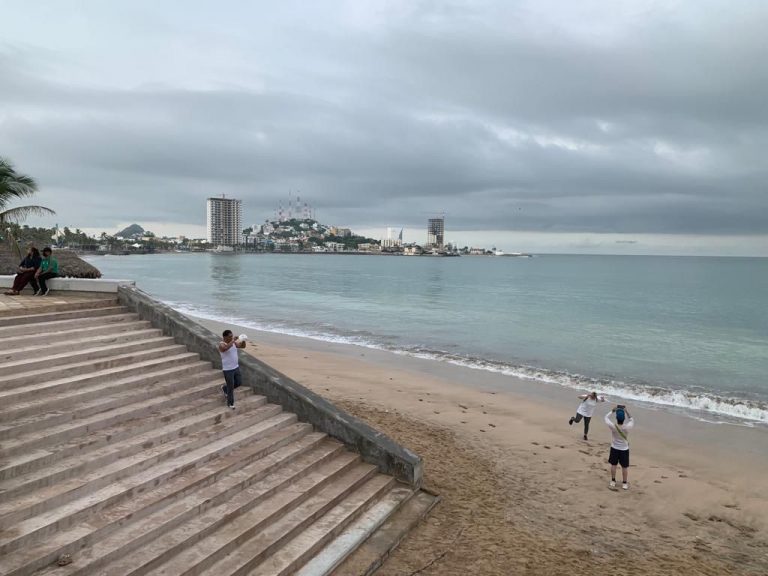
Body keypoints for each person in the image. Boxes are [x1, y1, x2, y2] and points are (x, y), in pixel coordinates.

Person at [605, 406, 634, 490]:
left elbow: (606, 417)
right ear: (624, 419)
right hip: (624, 449)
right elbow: (632, 419)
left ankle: (613, 481)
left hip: (614, 448)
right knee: (624, 467)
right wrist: (626, 411)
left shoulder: (613, 426)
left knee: (613, 465)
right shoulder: (627, 427)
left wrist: (613, 410)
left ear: (616, 418)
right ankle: (624, 483)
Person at [218, 330, 246, 409]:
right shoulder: (221, 345)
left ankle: (224, 388)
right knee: (230, 387)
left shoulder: (233, 343)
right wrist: (233, 340)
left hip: (236, 367)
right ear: (225, 337)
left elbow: (242, 346)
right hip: (228, 370)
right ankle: (230, 403)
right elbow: (225, 348)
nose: (231, 337)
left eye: (232, 336)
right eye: (230, 336)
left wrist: (243, 340)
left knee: (239, 382)